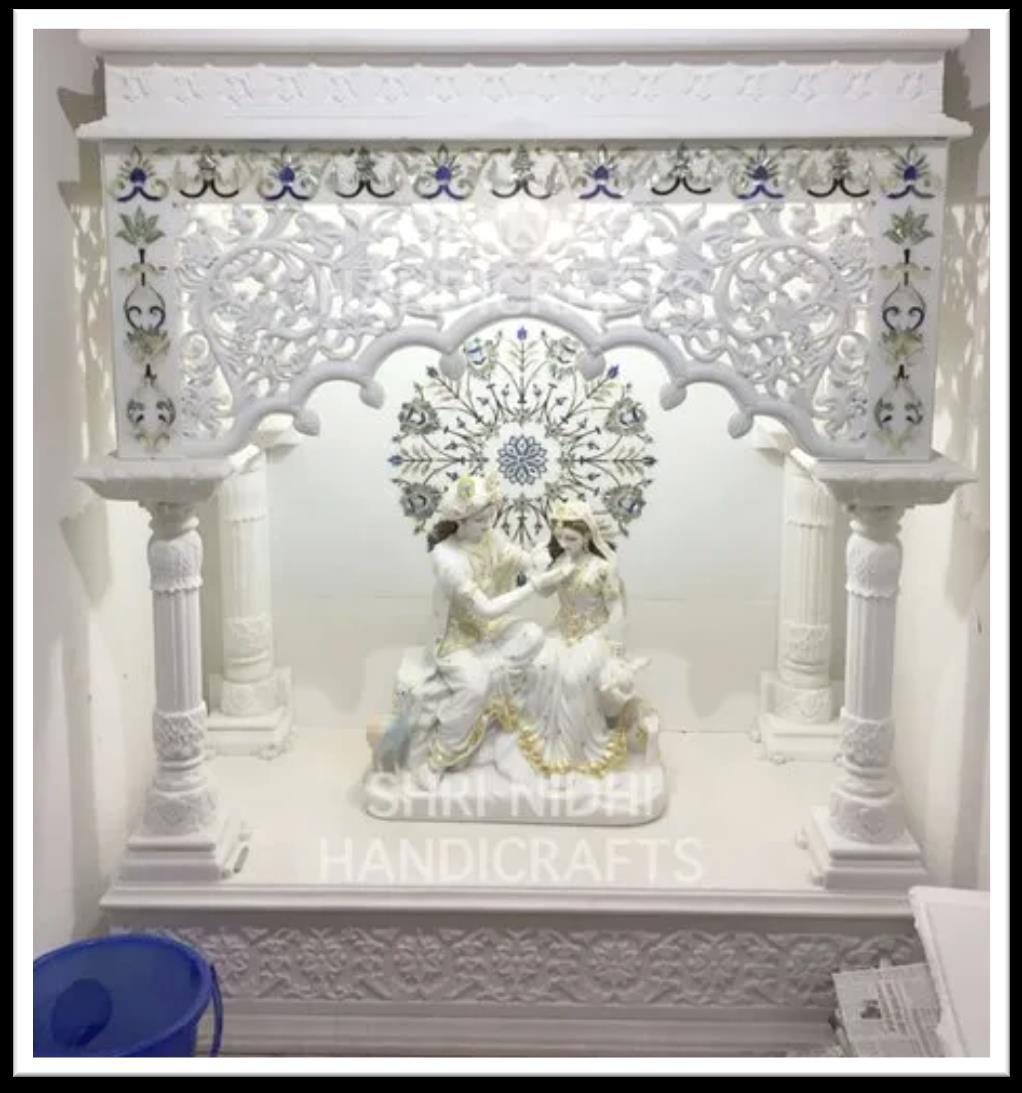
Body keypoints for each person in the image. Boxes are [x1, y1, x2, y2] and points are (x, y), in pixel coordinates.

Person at [374, 472, 570, 790]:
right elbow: (486, 609)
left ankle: (502, 701)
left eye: (490, 518)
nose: (487, 526)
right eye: (480, 520)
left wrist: (549, 553)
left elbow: (522, 560)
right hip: (457, 638)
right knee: (474, 687)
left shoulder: (490, 537)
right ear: (460, 521)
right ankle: (438, 759)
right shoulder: (447, 558)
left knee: (533, 635)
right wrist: (534, 586)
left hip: (491, 630)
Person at [514, 498, 651, 777]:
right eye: (560, 537)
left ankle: (570, 754)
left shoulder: (602, 567)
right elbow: (543, 592)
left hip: (593, 632)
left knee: (572, 678)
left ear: (587, 536)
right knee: (538, 667)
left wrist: (615, 647)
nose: (564, 543)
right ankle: (541, 745)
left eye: (571, 538)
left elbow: (615, 607)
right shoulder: (561, 561)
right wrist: (542, 568)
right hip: (561, 629)